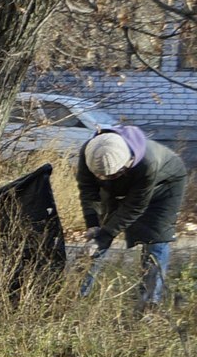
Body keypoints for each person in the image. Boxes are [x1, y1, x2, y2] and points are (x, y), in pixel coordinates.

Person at [76, 127, 185, 306]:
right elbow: (88, 191)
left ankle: (149, 305)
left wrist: (106, 234)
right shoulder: (90, 152)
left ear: (128, 163)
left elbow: (135, 206)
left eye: (113, 175)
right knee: (96, 238)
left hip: (165, 186)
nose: (106, 179)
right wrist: (93, 225)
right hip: (124, 183)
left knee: (155, 238)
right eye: (100, 176)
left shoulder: (148, 164)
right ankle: (78, 296)